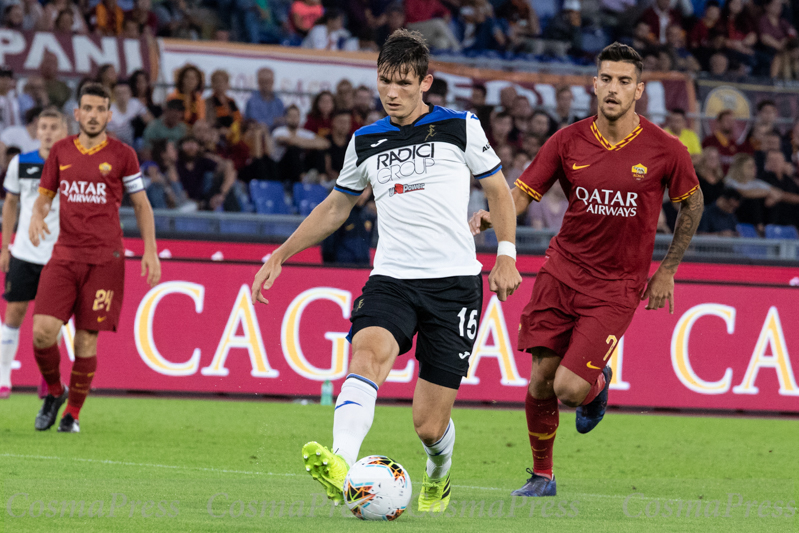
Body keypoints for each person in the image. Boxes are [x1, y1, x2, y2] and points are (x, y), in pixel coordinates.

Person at [251, 29, 521, 512]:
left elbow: (499, 191)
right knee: (367, 354)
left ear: (425, 83)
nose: (391, 92)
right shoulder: (365, 140)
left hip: (454, 285)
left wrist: (506, 253)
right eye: (383, 81)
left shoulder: (461, 126)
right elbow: (336, 209)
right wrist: (281, 253)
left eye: (401, 82)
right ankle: (340, 462)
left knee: (428, 426)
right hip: (391, 278)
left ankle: (439, 474)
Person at [470, 42, 703, 497]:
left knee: (570, 388)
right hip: (562, 271)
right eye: (606, 79)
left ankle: (597, 387)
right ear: (593, 84)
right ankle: (542, 477)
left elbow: (691, 205)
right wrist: (493, 215)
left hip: (617, 285)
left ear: (639, 90)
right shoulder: (567, 140)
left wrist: (668, 270)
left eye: (623, 81)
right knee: (540, 379)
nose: (612, 88)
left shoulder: (665, 150)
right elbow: (522, 194)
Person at [29, 83, 161, 433]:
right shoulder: (59, 151)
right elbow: (45, 196)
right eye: (86, 108)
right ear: (77, 113)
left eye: (99, 109)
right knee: (42, 332)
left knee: (86, 338)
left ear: (108, 114)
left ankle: (72, 413)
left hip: (105, 259)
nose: (92, 115)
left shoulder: (123, 155)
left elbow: (141, 204)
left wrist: (150, 250)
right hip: (65, 254)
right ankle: (55, 392)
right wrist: (36, 214)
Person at [0, 109, 68, 399]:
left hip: (59, 256)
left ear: (65, 131)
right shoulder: (21, 162)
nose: (49, 132)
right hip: (24, 253)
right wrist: (5, 247)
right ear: (36, 131)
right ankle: (4, 377)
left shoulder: (73, 165)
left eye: (54, 127)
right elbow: (11, 204)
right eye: (44, 127)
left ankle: (48, 378)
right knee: (14, 312)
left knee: (52, 321)